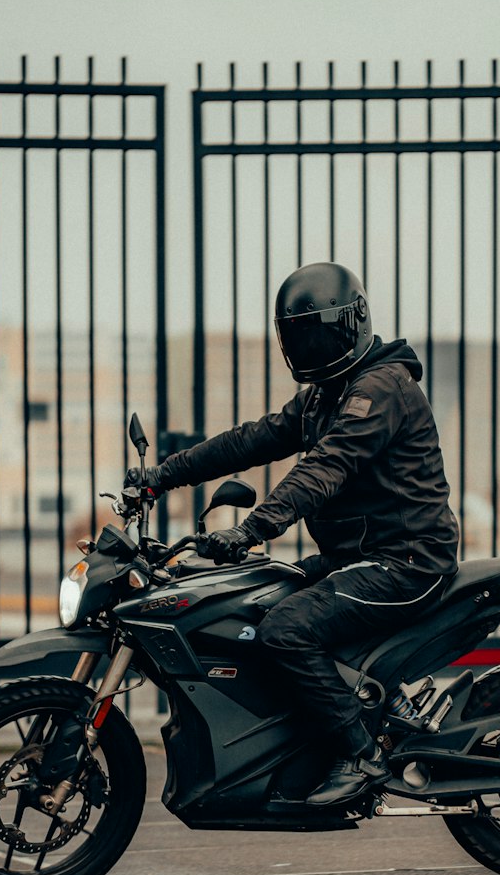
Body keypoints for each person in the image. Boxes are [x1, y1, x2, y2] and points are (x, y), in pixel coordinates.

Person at [130, 262, 459, 806]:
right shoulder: (322, 395)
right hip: (354, 558)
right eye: (297, 335)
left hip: (406, 562)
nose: (307, 347)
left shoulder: (381, 388)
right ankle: (375, 709)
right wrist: (162, 476)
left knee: (286, 629)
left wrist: (254, 528)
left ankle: (360, 753)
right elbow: (250, 441)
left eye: (316, 332)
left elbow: (326, 467)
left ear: (349, 324)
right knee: (252, 599)